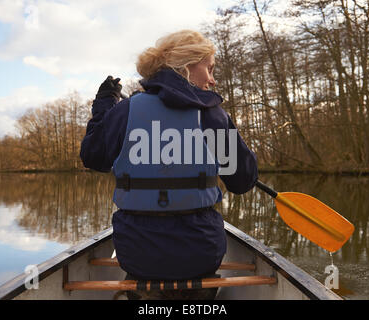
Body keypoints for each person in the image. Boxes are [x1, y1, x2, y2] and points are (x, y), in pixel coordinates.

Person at [80, 30, 258, 299]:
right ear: (187, 66)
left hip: (138, 255)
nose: (212, 79)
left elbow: (94, 158)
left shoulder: (125, 111)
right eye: (209, 69)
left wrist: (103, 107)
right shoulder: (212, 115)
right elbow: (244, 181)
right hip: (200, 255)